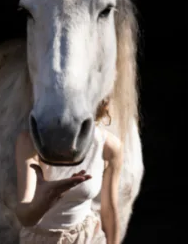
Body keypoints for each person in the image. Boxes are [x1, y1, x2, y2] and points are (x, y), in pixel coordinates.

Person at [15, 99, 122, 244]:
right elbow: (25, 217)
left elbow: (109, 211)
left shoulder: (109, 146)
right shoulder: (30, 142)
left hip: (87, 238)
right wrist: (45, 200)